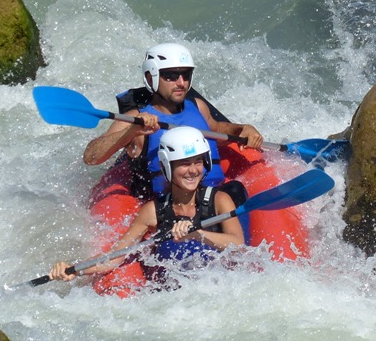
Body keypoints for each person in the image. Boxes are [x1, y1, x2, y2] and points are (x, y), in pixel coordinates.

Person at [51, 127, 245, 282]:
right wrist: (75, 270)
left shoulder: (219, 200)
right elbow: (116, 256)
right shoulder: (153, 211)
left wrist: (197, 234)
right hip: (177, 297)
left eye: (198, 162)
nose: (193, 170)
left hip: (220, 286)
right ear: (167, 166)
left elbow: (238, 245)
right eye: (184, 163)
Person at [82, 43, 264, 197]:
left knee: (236, 191)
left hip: (211, 198)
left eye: (186, 75)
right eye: (171, 75)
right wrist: (131, 132)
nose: (181, 82)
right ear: (150, 77)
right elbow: (91, 157)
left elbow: (217, 129)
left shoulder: (198, 106)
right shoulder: (133, 119)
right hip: (168, 208)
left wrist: (242, 129)